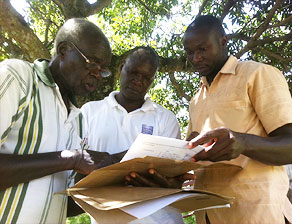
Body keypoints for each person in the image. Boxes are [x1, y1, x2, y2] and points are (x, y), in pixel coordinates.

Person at [0, 18, 125, 224]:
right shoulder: (18, 78)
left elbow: (61, 205)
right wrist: (72, 159)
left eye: (102, 69)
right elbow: (71, 160)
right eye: (92, 63)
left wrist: (114, 176)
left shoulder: (79, 120)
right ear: (64, 50)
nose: (97, 75)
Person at [183, 15, 292, 224]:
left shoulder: (258, 74)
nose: (195, 58)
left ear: (223, 41)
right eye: (190, 52)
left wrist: (242, 142)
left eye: (202, 49)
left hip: (257, 214)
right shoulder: (195, 100)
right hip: (208, 214)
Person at [80, 46, 185, 223]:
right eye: (134, 72)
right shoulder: (89, 112)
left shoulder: (166, 119)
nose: (138, 81)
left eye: (146, 78)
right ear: (121, 67)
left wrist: (112, 164)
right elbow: (78, 167)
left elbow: (172, 177)